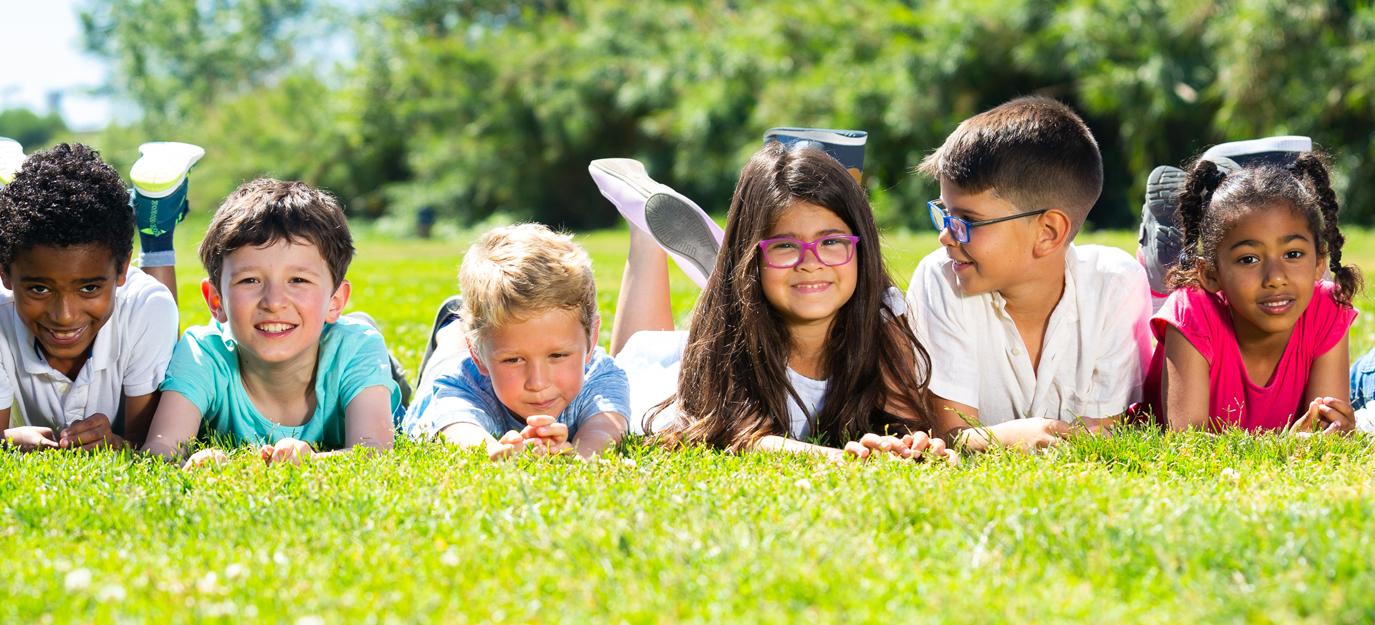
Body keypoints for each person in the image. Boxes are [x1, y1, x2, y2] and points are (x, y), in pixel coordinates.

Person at [603, 141, 955, 463]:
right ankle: (645, 234)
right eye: (785, 246)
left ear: (860, 247)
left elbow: (903, 420)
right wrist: (840, 460)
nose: (811, 261)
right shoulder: (732, 343)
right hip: (668, 379)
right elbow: (742, 435)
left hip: (721, 321)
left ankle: (726, 270)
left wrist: (910, 447)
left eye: (831, 242)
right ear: (753, 259)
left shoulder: (881, 316)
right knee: (631, 362)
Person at [907, 96, 1152, 450]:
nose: (945, 235)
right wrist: (1006, 439)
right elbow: (950, 437)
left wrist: (989, 440)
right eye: (945, 214)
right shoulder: (943, 278)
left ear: (1048, 232)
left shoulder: (1115, 284)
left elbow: (1101, 437)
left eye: (967, 221)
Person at [142, 179, 402, 466]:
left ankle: (405, 361)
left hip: (365, 369)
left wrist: (314, 461)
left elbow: (374, 452)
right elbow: (161, 447)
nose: (274, 302)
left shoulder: (356, 348)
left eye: (298, 280)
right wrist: (194, 461)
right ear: (216, 301)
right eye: (250, 280)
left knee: (367, 342)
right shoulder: (202, 353)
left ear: (336, 301)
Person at [1143, 152, 1361, 433]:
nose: (1275, 278)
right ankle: (1153, 256)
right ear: (1211, 274)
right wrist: (1285, 449)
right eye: (1249, 259)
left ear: (1319, 263)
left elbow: (1320, 428)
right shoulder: (1192, 312)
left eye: (1293, 254)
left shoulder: (1327, 307)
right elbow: (1186, 440)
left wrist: (1334, 429)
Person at [0, 143, 178, 450]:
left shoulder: (147, 308)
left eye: (89, 288)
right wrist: (8, 440)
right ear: (4, 274)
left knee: (155, 305)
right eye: (39, 289)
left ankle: (157, 223)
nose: (65, 316)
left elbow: (149, 444)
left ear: (122, 270)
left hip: (143, 302)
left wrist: (117, 442)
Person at [402, 223, 630, 460]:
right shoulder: (460, 385)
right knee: (450, 350)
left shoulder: (602, 375)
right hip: (452, 366)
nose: (537, 382)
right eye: (513, 360)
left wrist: (580, 456)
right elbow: (458, 427)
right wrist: (494, 451)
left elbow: (606, 427)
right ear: (478, 356)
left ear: (591, 340)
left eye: (558, 355)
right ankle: (451, 324)